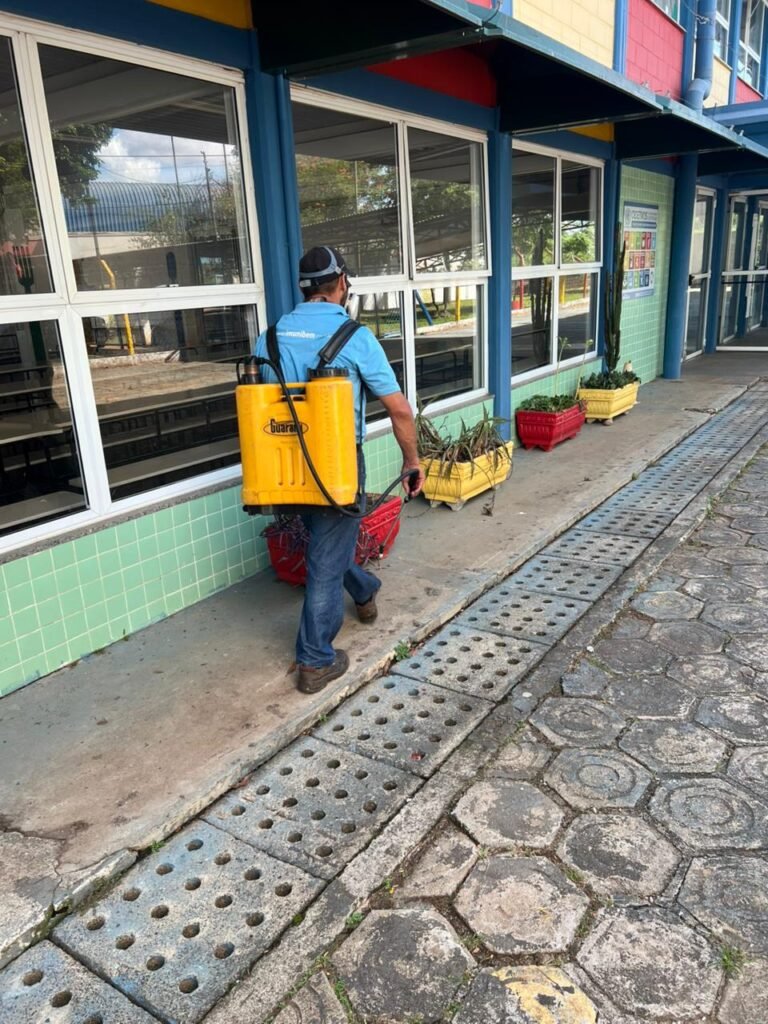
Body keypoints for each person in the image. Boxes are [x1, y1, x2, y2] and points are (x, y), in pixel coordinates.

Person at [254, 245, 424, 695]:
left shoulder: (267, 338)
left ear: (303, 288)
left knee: (327, 545)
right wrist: (412, 461)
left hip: (280, 465)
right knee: (326, 560)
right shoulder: (356, 338)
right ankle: (315, 660)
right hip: (336, 464)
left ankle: (364, 591)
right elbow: (400, 410)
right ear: (343, 283)